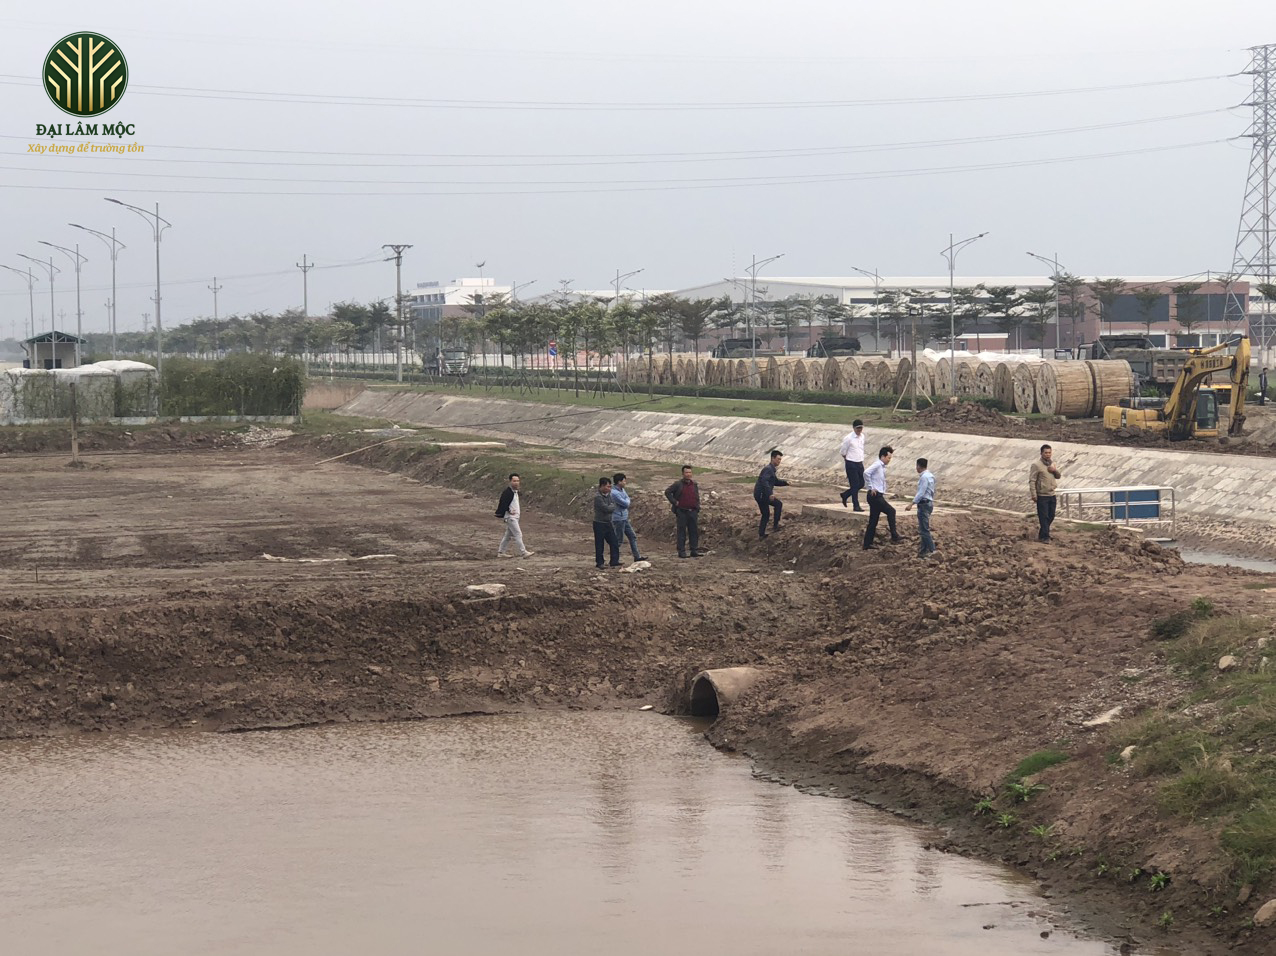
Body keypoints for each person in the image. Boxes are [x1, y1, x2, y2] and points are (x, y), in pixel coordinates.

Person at [862, 445, 902, 550]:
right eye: (888, 458)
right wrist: (871, 487)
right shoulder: (877, 465)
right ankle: (894, 535)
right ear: (883, 456)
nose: (889, 460)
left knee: (873, 520)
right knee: (891, 511)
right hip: (875, 496)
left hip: (877, 495)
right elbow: (866, 473)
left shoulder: (881, 467)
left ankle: (867, 544)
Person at [664, 464, 703, 558]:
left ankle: (694, 550)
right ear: (683, 473)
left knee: (693, 531)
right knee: (681, 532)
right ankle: (681, 552)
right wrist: (674, 502)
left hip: (693, 511)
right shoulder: (678, 484)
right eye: (686, 472)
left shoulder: (694, 484)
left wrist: (697, 507)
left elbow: (696, 496)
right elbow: (667, 492)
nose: (688, 474)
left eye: (690, 472)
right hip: (682, 511)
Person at [494, 473, 534, 558]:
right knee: (518, 534)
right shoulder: (508, 492)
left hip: (514, 517)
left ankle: (501, 552)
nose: (516, 483)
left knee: (507, 536)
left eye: (517, 481)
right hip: (511, 518)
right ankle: (523, 552)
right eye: (514, 481)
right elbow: (503, 503)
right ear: (510, 482)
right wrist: (508, 510)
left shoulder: (514, 492)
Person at [753, 449, 790, 539]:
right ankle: (770, 529)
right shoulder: (768, 469)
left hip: (762, 494)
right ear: (772, 458)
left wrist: (786, 483)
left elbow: (775, 481)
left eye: (780, 459)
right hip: (762, 495)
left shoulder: (771, 470)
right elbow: (764, 482)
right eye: (778, 459)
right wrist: (770, 493)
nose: (779, 461)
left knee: (775, 507)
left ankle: (768, 530)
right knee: (768, 512)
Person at [1029, 443, 1063, 542]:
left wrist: (1054, 470)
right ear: (1041, 453)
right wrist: (1034, 494)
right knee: (1044, 517)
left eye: (1049, 452)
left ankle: (1043, 533)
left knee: (1051, 516)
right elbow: (1032, 480)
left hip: (1052, 494)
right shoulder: (1036, 465)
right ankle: (1045, 537)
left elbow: (1058, 476)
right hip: (1042, 495)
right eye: (1046, 453)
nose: (1048, 454)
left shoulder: (1052, 464)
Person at [904, 458, 936, 558]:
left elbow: (921, 492)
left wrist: (911, 504)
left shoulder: (924, 478)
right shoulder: (931, 476)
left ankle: (932, 551)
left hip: (924, 504)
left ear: (918, 466)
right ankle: (923, 552)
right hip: (929, 503)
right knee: (923, 528)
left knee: (924, 530)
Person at [610, 473, 645, 562]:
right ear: (619, 482)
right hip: (618, 519)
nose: (625, 482)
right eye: (624, 481)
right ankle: (614, 560)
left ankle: (637, 556)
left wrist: (627, 500)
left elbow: (627, 500)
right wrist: (627, 501)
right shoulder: (614, 493)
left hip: (624, 517)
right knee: (618, 540)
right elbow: (626, 503)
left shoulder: (621, 490)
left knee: (632, 536)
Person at [593, 477, 621, 569]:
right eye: (607, 487)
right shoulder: (598, 497)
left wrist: (611, 507)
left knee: (614, 542)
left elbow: (613, 506)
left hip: (608, 522)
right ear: (601, 486)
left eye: (610, 487)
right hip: (599, 523)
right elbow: (606, 508)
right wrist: (611, 507)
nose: (609, 489)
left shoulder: (609, 495)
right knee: (599, 543)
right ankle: (600, 562)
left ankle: (614, 561)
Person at [838, 420, 867, 511]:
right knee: (854, 484)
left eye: (861, 428)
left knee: (861, 483)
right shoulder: (848, 438)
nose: (859, 430)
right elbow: (843, 451)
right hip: (851, 463)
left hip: (859, 462)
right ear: (854, 428)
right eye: (858, 428)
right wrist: (848, 459)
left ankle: (846, 494)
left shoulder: (862, 436)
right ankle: (856, 505)